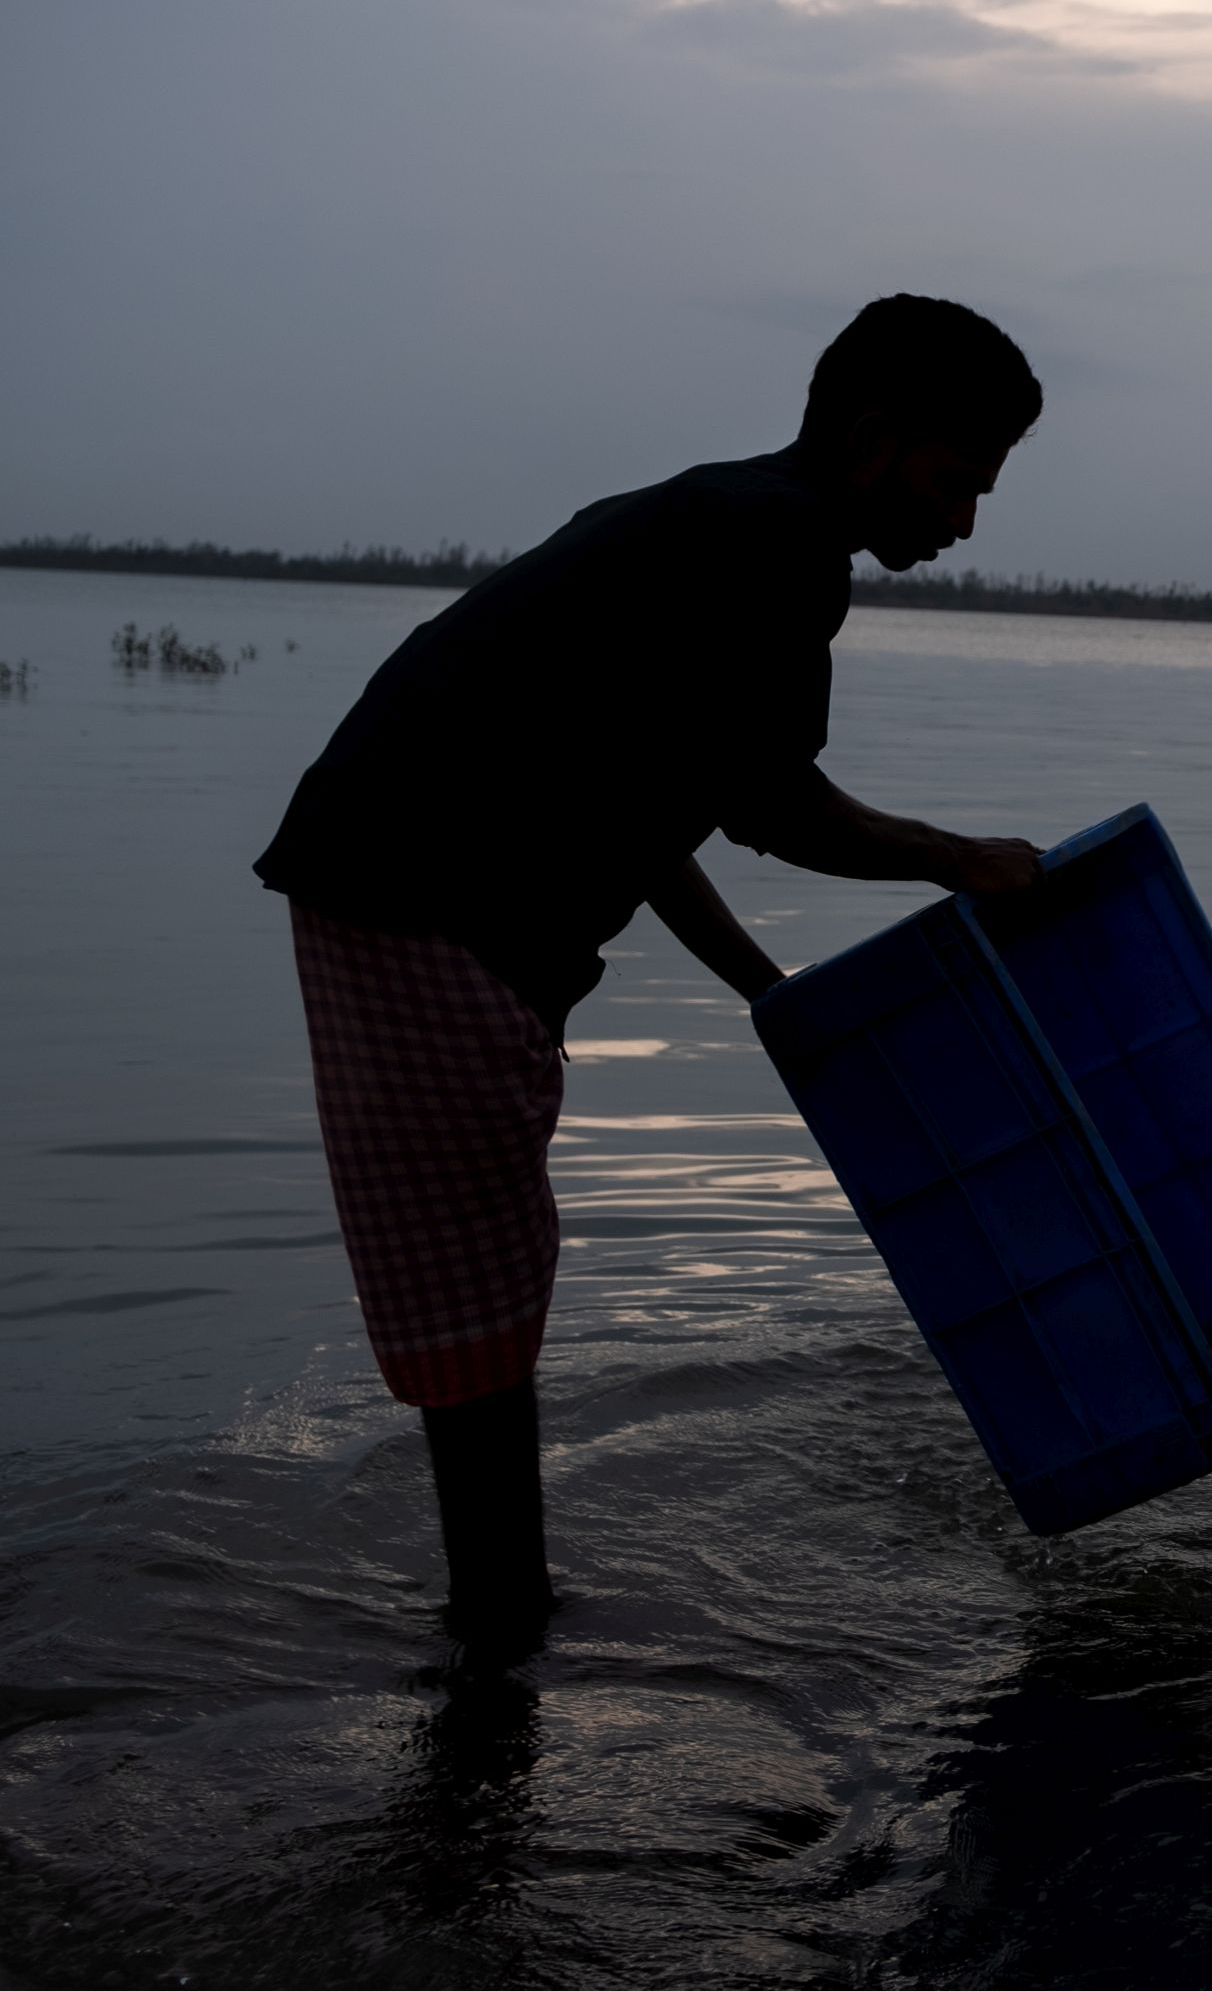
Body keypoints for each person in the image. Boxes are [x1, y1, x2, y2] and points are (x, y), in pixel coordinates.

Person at [255, 294, 1050, 1643]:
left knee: (484, 1296)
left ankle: (496, 1629)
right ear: (870, 439)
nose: (966, 520)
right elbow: (770, 805)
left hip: (391, 889)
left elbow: (652, 805)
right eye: (955, 480)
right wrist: (954, 856)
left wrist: (764, 988)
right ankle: (500, 1637)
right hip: (422, 904)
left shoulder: (716, 520)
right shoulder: (785, 545)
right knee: (479, 1314)